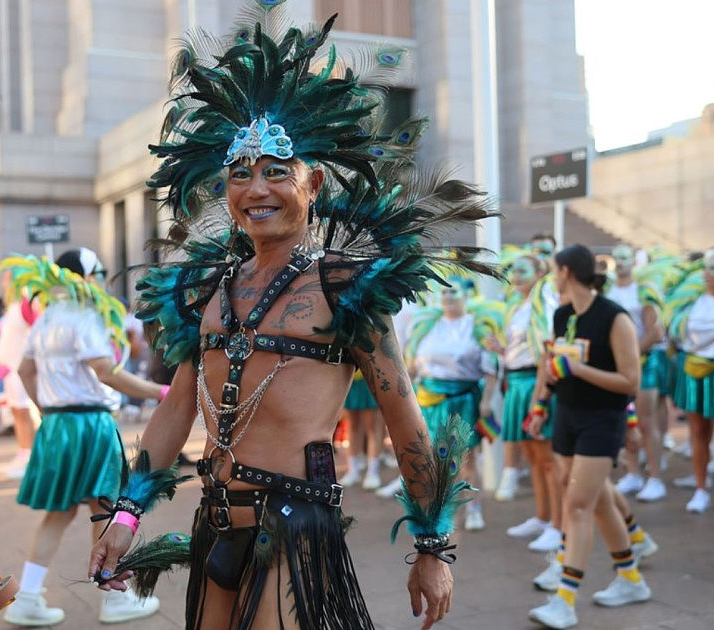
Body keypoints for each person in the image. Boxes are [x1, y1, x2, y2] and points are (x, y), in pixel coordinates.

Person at [87, 7, 495, 629]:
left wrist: (434, 545)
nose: (258, 190)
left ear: (314, 183)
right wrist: (127, 514)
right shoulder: (208, 288)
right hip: (215, 521)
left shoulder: (346, 287)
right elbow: (176, 408)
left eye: (277, 171)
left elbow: (402, 414)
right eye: (241, 175)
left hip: (294, 527)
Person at [3, 248, 167, 627]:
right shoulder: (86, 314)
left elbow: (26, 370)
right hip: (90, 422)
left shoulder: (47, 317)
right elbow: (106, 372)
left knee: (60, 513)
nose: (102, 278)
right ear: (87, 276)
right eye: (100, 271)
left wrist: (47, 410)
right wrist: (159, 393)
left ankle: (28, 597)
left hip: (58, 423)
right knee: (106, 507)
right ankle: (113, 597)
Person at [527, 244, 650, 629]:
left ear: (565, 271)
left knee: (578, 504)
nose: (551, 275)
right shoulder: (563, 314)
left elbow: (631, 381)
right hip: (567, 414)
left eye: (553, 269)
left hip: (603, 418)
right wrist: (540, 407)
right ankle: (630, 577)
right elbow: (554, 368)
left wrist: (578, 370)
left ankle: (565, 600)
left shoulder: (615, 317)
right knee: (595, 501)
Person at [401, 280, 500, 531]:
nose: (448, 296)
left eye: (453, 291)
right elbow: (412, 366)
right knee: (431, 459)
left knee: (467, 459)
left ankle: (474, 508)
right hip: (430, 400)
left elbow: (490, 368)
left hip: (463, 398)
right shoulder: (427, 325)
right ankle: (439, 510)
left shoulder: (477, 326)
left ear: (467, 295)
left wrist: (487, 400)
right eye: (444, 291)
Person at [495, 254, 563, 553]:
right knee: (532, 456)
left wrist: (538, 399)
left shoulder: (544, 306)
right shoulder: (517, 307)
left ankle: (558, 525)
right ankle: (542, 515)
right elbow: (519, 349)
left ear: (539, 273)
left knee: (547, 459)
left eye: (523, 270)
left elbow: (545, 355)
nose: (516, 275)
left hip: (535, 384)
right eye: (513, 270)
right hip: (517, 384)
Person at [669, 248, 714, 514]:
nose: (708, 274)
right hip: (694, 372)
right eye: (706, 268)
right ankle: (701, 488)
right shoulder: (692, 301)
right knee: (698, 433)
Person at [606, 245, 667, 502]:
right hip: (618, 365)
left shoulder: (643, 290)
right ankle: (632, 472)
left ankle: (655, 476)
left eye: (624, 258)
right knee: (623, 419)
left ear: (634, 261)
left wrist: (631, 356)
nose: (620, 262)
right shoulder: (607, 290)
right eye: (616, 258)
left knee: (645, 420)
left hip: (644, 363)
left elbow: (655, 332)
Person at [0, 267, 40, 479]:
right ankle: (24, 452)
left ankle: (32, 456)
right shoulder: (11, 304)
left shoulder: (26, 301)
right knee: (16, 412)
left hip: (20, 366)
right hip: (9, 367)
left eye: (8, 278)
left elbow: (38, 327)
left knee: (25, 411)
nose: (4, 282)